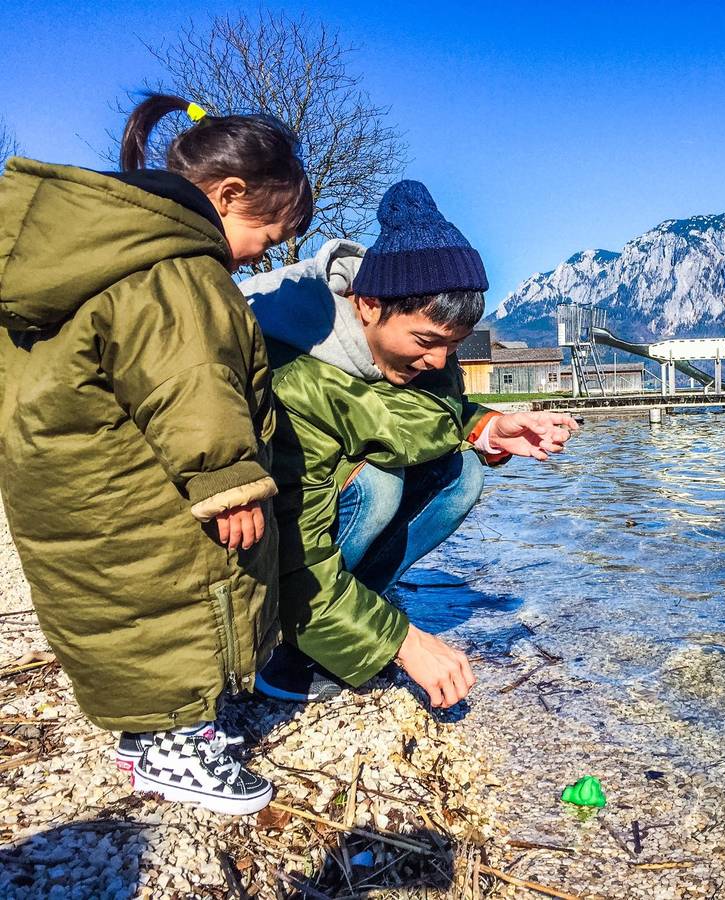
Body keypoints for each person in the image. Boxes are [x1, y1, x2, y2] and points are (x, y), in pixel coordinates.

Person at [0, 94, 312, 815]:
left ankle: (147, 735)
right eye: (268, 231)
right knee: (178, 595)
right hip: (143, 488)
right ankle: (179, 748)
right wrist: (228, 476)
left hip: (80, 479)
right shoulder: (178, 270)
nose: (267, 251)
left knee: (118, 601)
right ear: (228, 195)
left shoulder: (90, 258)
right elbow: (189, 378)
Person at [239, 181, 578, 708]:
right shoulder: (292, 367)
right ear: (369, 305)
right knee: (376, 485)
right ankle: (290, 651)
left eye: (454, 345)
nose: (441, 362)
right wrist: (402, 644)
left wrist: (487, 427)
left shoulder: (417, 350)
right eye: (426, 342)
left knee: (462, 474)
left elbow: (424, 414)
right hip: (267, 555)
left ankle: (360, 612)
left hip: (309, 531)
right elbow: (294, 550)